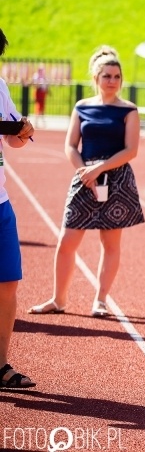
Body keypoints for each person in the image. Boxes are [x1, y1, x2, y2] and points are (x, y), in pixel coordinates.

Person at [29, 46, 144, 317]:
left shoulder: (128, 110)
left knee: (111, 243)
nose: (112, 81)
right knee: (67, 241)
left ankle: (101, 300)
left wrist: (100, 169)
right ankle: (58, 300)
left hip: (116, 181)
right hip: (84, 178)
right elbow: (70, 145)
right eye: (107, 76)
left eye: (116, 76)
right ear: (96, 78)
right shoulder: (82, 107)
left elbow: (131, 150)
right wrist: (85, 172)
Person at [0, 27, 36, 388]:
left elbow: (12, 139)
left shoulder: (0, 85)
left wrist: (22, 130)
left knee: (8, 282)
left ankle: (0, 365)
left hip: (0, 202)